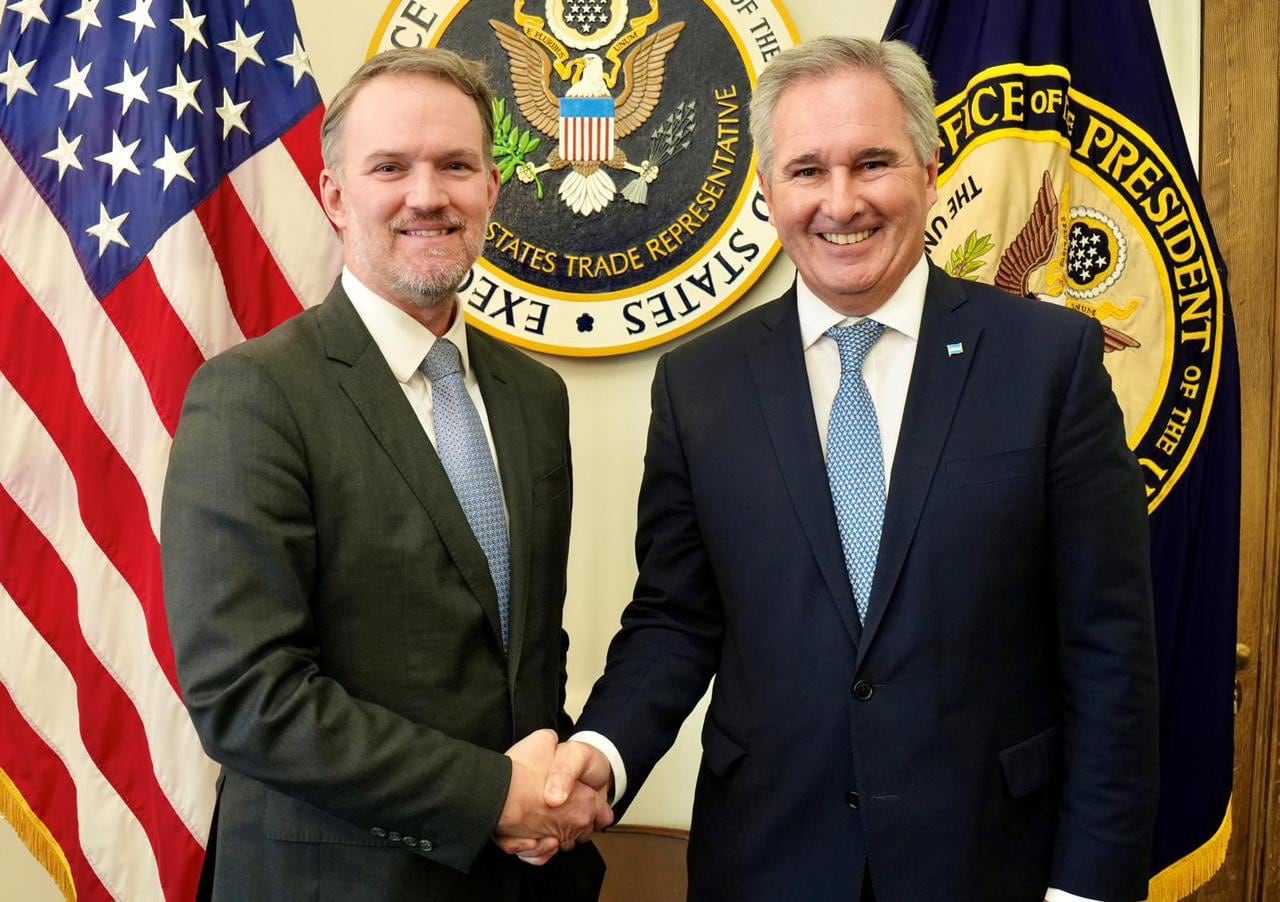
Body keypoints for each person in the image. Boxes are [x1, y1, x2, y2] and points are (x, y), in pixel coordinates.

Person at [542, 36, 1158, 902]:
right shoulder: (700, 383)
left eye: (873, 163)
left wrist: (1089, 886)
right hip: (766, 859)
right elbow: (677, 618)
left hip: (990, 859)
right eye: (806, 170)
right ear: (767, 191)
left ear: (930, 171)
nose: (841, 202)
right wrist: (601, 754)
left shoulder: (1047, 362)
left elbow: (1110, 647)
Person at [161, 48, 606, 902]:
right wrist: (489, 797)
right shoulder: (254, 394)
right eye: (390, 167)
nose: (427, 194)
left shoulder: (533, 396)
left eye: (456, 166)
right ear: (335, 196)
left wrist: (569, 773)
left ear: (490, 191)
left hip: (530, 881)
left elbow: (521, 657)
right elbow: (247, 696)